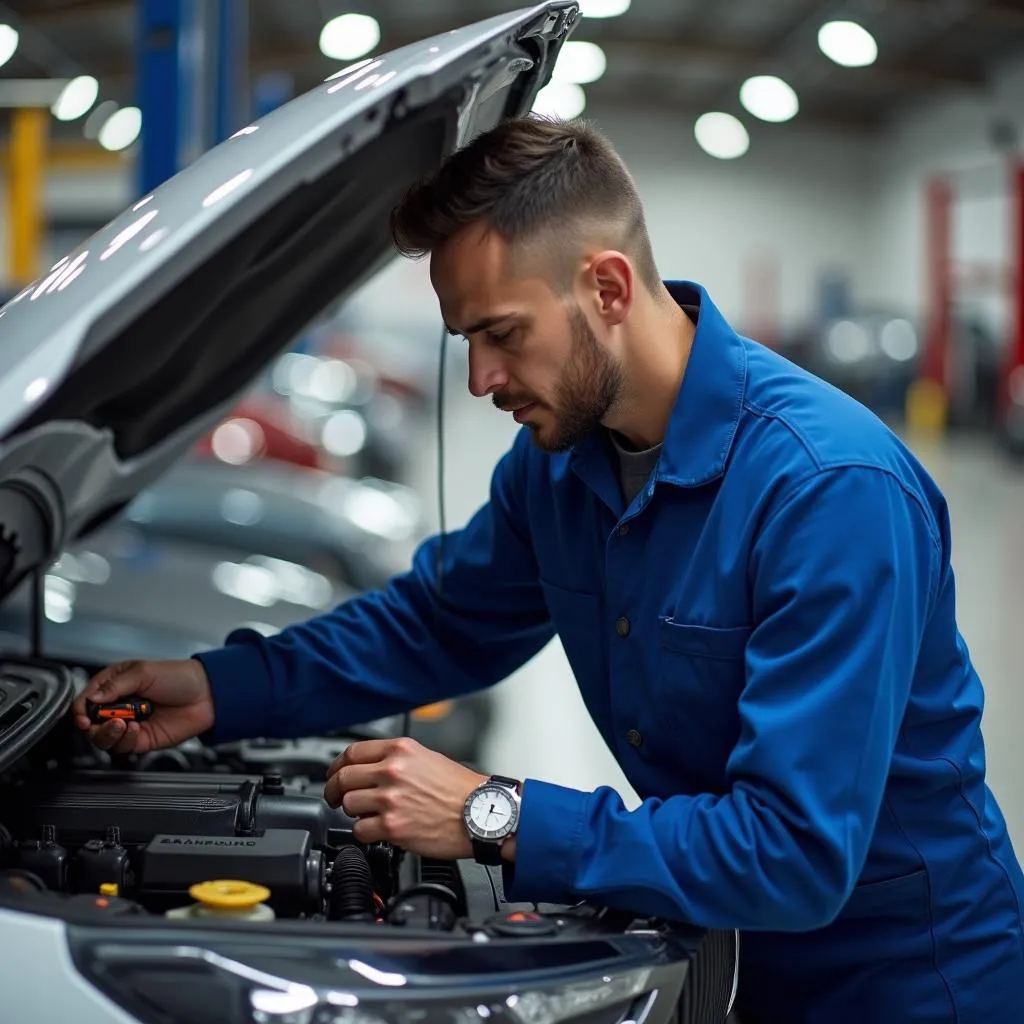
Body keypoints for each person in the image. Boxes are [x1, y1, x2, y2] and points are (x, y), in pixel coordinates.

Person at [74, 116, 1024, 1023]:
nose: (482, 379)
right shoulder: (563, 463)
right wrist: (218, 687)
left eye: (503, 333)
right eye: (467, 344)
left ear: (607, 288)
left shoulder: (827, 491)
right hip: (738, 958)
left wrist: (496, 813)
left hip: (915, 985)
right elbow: (439, 623)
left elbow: (794, 853)